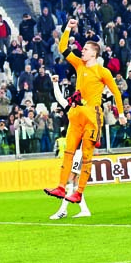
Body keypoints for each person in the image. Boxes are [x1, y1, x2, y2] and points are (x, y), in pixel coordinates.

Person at [44, 19, 125, 204]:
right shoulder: (79, 64)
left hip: (92, 115)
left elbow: (116, 93)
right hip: (76, 113)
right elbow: (62, 47)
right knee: (69, 151)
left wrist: (120, 114)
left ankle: (79, 192)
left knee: (86, 154)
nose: (82, 51)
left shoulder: (102, 71)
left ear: (95, 53)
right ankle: (61, 187)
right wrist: (67, 28)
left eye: (86, 49)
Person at [49, 75, 91, 220]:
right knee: (73, 181)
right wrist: (55, 84)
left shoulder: (85, 111)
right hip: (75, 151)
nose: (71, 102)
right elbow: (60, 99)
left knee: (71, 179)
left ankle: (63, 210)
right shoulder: (73, 110)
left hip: (81, 150)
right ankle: (83, 209)